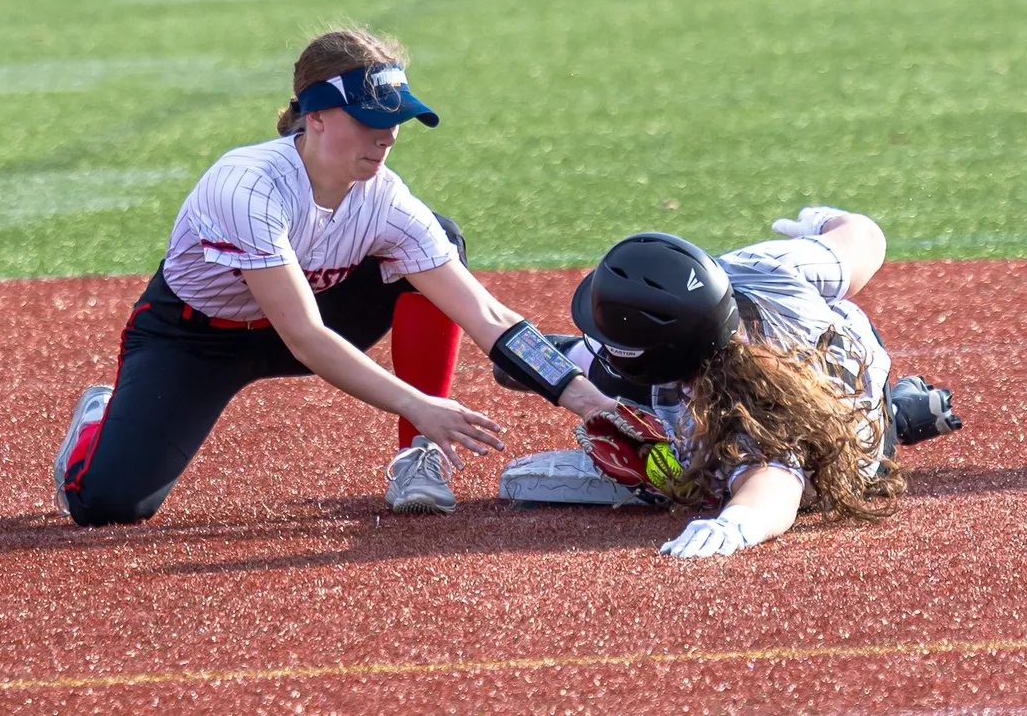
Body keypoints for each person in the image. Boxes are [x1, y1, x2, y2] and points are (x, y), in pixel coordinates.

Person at [53, 26, 617, 526]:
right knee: (107, 504)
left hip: (322, 315)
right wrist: (416, 402)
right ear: (315, 117)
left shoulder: (386, 199)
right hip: (196, 338)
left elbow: (488, 315)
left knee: (440, 240)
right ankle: (103, 417)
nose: (388, 136)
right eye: (371, 120)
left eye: (396, 120)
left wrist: (594, 404)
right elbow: (304, 337)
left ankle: (419, 457)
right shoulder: (246, 185)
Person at [499, 206, 962, 558]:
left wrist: (734, 524)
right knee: (534, 365)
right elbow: (865, 238)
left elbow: (778, 485)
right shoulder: (762, 268)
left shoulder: (738, 413)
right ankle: (897, 411)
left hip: (851, 454)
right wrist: (821, 219)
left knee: (700, 470)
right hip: (859, 376)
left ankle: (896, 415)